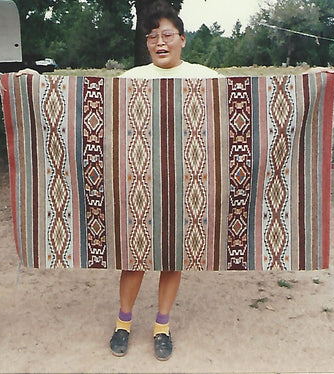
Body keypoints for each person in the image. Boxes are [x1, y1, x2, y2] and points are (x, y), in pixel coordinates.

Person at [109, 0, 223, 361]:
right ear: (147, 43)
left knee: (173, 257)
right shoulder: (130, 80)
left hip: (186, 187)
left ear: (182, 40)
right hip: (137, 187)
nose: (160, 42)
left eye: (167, 35)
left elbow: (250, 104)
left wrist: (309, 82)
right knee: (134, 257)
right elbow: (87, 110)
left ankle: (162, 326)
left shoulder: (204, 77)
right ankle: (123, 324)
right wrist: (33, 82)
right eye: (152, 36)